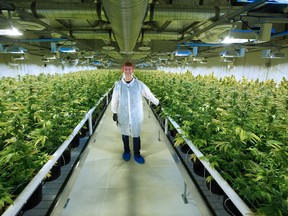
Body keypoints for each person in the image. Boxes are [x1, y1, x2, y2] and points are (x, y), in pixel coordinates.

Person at [111, 62, 159, 164]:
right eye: (126, 69)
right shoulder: (118, 85)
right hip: (123, 114)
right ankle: (126, 151)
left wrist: (157, 102)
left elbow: (148, 94)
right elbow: (115, 99)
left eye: (129, 69)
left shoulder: (139, 84)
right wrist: (114, 111)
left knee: (136, 135)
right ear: (123, 70)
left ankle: (137, 154)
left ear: (132, 70)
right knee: (125, 134)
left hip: (136, 114)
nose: (128, 71)